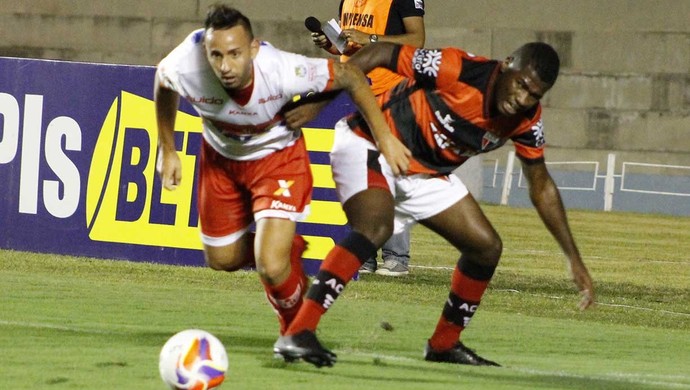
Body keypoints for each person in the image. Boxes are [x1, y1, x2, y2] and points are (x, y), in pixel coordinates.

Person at [275, 40, 596, 368]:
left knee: (486, 247)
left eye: (534, 95)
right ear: (508, 64)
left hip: (423, 173)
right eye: (522, 85)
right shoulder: (457, 68)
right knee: (375, 228)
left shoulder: (528, 119)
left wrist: (573, 258)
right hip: (369, 142)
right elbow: (380, 52)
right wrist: (321, 101)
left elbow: (541, 186)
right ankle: (298, 332)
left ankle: (444, 344)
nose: (523, 99)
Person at [154, 4, 396, 337]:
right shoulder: (185, 63)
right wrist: (167, 149)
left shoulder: (282, 69)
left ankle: (296, 332)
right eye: (217, 55)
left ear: (253, 48)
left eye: (235, 54)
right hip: (221, 161)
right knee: (221, 260)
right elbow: (163, 83)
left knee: (270, 264)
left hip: (277, 159)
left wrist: (384, 137)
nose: (225, 66)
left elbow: (351, 75)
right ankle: (288, 250)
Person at [297, 0, 426, 276]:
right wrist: (331, 44)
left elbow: (417, 40)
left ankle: (396, 256)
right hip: (354, 92)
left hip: (393, 92)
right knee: (357, 174)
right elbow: (349, 48)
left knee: (393, 172)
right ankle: (363, 252)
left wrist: (372, 39)